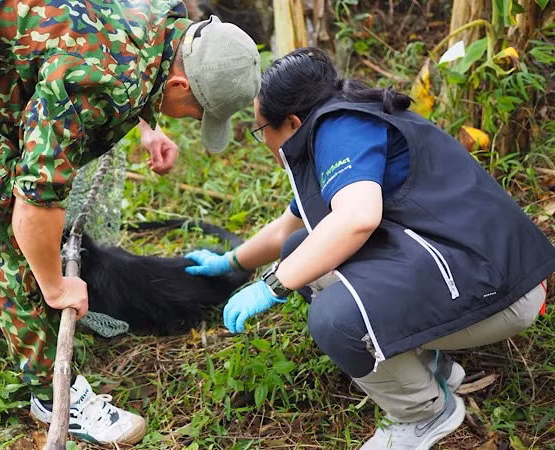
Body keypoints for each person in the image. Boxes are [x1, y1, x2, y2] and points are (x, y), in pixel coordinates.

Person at [0, 0, 260, 444]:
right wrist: (55, 285)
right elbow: (32, 207)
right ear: (181, 82)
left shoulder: (163, 19)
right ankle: (54, 395)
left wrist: (148, 124)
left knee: (14, 179)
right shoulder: (92, 82)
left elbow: (138, 51)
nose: (194, 121)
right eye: (198, 112)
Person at [185, 48, 554, 449]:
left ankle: (425, 413)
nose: (262, 142)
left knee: (336, 318)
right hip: (460, 260)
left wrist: (272, 285)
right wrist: (229, 261)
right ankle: (432, 368)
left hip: (502, 288)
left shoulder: (341, 129)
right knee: (298, 249)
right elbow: (285, 232)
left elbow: (358, 219)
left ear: (291, 123)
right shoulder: (334, 126)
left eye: (261, 130)